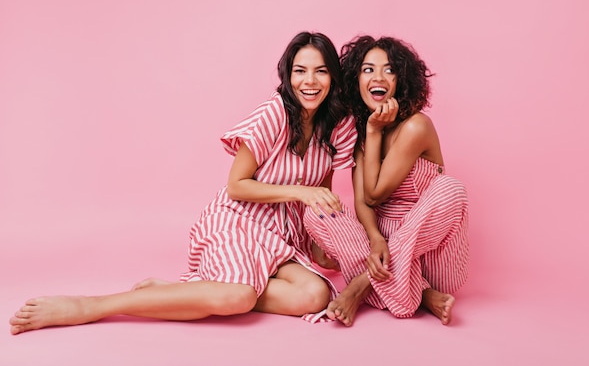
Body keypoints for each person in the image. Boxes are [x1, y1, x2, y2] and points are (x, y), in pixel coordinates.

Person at [9, 31, 357, 335]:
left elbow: (318, 200)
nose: (309, 81)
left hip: (282, 235)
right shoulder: (274, 114)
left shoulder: (337, 126)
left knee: (314, 295)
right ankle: (92, 306)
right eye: (300, 71)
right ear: (288, 74)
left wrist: (326, 247)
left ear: (332, 78)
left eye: (320, 71)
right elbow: (237, 185)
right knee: (237, 296)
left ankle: (186, 291)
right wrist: (298, 192)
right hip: (240, 221)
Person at [304, 35, 469, 327]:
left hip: (430, 253)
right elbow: (362, 201)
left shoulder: (416, 126)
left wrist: (375, 131)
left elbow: (376, 194)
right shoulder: (361, 133)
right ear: (356, 80)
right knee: (316, 208)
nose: (377, 77)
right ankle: (422, 295)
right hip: (377, 251)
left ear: (401, 80)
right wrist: (377, 237)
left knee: (451, 188)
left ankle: (361, 285)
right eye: (367, 69)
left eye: (389, 69)